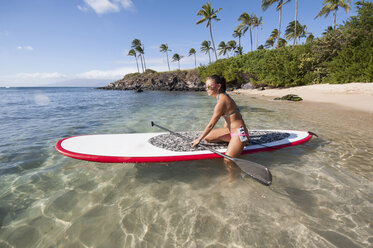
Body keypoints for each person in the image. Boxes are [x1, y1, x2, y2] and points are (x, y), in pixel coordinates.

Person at [191, 75, 249, 180]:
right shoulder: (222, 96)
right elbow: (230, 116)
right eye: (205, 86)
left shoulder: (221, 101)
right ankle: (234, 142)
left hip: (240, 133)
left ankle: (232, 179)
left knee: (228, 160)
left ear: (218, 86)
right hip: (231, 132)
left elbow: (211, 125)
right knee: (208, 138)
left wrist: (198, 139)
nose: (206, 89)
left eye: (209, 86)